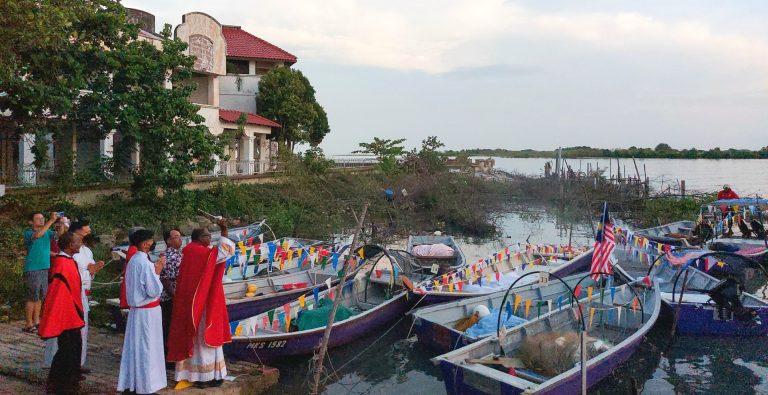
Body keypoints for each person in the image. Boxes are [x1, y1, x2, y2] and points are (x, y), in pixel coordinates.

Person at [167, 219, 233, 388]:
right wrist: (224, 230)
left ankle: (203, 374)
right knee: (205, 339)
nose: (210, 238)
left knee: (199, 340)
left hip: (193, 300)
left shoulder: (191, 251)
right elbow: (224, 252)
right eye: (207, 235)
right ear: (198, 238)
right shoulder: (198, 252)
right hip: (201, 303)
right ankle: (204, 377)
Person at [117, 229, 167, 394]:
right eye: (151, 241)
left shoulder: (133, 260)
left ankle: (134, 382)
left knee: (137, 347)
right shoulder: (144, 263)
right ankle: (146, 384)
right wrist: (157, 272)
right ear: (145, 243)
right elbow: (153, 290)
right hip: (147, 312)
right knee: (147, 347)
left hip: (138, 311)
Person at [39, 232, 85, 394]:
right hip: (67, 314)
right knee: (67, 350)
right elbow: (59, 294)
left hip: (71, 313)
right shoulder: (62, 264)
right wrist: (65, 314)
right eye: (78, 241)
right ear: (70, 246)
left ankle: (68, 381)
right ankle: (60, 384)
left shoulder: (67, 262)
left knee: (73, 348)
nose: (80, 244)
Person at [69, 219, 105, 370]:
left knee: (83, 329)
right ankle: (69, 363)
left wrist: (93, 269)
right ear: (77, 230)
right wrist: (89, 271)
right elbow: (70, 274)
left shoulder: (87, 251)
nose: (89, 230)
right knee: (72, 331)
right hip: (72, 293)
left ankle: (79, 362)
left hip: (84, 292)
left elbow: (90, 270)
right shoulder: (69, 251)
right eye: (86, 227)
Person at [22, 211, 58, 333]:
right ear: (31, 222)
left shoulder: (47, 232)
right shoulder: (28, 233)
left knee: (40, 296)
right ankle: (28, 324)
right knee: (32, 297)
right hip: (33, 268)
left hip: (44, 268)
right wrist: (51, 221)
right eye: (38, 218)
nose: (42, 220)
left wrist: (62, 224)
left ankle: (37, 321)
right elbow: (38, 235)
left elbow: (59, 236)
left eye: (43, 218)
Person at [160, 229, 183, 356]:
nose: (180, 239)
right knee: (169, 328)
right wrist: (174, 297)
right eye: (176, 237)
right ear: (168, 241)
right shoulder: (169, 256)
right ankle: (169, 356)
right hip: (170, 298)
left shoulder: (178, 254)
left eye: (180, 236)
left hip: (176, 296)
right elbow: (166, 279)